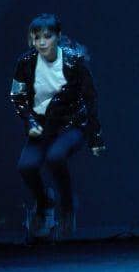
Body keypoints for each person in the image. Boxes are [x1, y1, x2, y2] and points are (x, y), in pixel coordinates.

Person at [11, 14, 105, 239]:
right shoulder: (26, 62)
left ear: (58, 36)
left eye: (47, 36)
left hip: (71, 124)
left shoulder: (74, 61)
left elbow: (90, 97)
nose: (42, 42)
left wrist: (95, 137)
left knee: (55, 156)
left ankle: (67, 205)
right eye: (37, 38)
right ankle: (44, 203)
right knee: (26, 166)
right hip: (43, 126)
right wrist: (30, 121)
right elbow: (18, 96)